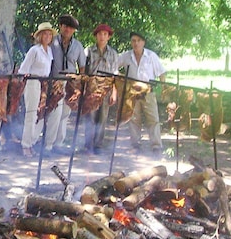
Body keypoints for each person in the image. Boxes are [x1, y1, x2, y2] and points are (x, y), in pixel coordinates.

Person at [118, 31, 166, 154]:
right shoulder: (126, 56)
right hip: (132, 92)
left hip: (148, 91)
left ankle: (156, 146)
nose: (136, 43)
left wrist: (163, 88)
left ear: (143, 42)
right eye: (133, 41)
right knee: (134, 119)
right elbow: (114, 66)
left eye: (139, 41)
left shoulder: (151, 56)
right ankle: (135, 145)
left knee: (153, 119)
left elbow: (161, 73)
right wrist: (120, 76)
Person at [44, 14, 85, 152]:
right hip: (55, 82)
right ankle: (48, 145)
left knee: (65, 114)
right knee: (55, 111)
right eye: (65, 26)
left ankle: (58, 144)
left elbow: (82, 67)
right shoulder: (52, 41)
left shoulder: (78, 46)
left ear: (74, 30)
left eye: (71, 28)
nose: (68, 29)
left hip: (71, 83)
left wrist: (79, 84)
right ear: (61, 26)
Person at [18, 22, 56, 157]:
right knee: (31, 113)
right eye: (45, 33)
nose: (47, 36)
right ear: (40, 36)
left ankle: (32, 142)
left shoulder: (49, 51)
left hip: (44, 83)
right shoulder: (34, 50)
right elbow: (23, 69)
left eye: (49, 34)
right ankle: (25, 145)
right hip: (33, 82)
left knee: (41, 114)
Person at [83, 24, 119, 154]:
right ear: (96, 36)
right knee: (90, 116)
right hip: (92, 86)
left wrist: (114, 92)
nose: (102, 37)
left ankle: (98, 145)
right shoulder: (88, 51)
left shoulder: (113, 54)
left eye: (105, 34)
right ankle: (88, 144)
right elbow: (84, 71)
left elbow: (115, 74)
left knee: (103, 117)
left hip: (106, 87)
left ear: (108, 37)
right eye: (100, 34)